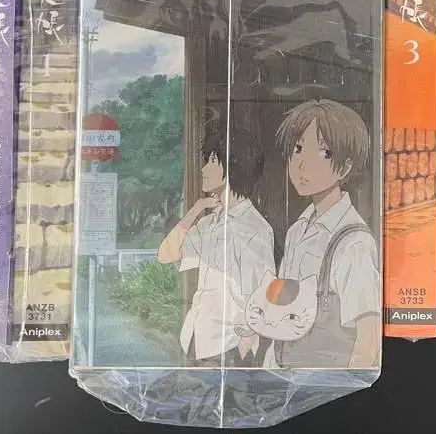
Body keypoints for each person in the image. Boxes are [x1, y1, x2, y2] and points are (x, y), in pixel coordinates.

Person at [271, 98, 380, 368]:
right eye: (298, 149)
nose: (302, 163)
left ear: (345, 167)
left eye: (323, 152)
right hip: (286, 371)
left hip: (326, 378)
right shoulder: (297, 231)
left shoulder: (353, 242)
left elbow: (368, 339)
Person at [158, 127, 275, 367]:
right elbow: (166, 255)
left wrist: (244, 347)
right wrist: (195, 210)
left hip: (228, 348)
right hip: (195, 340)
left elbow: (264, 294)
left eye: (212, 161)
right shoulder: (209, 223)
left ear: (234, 166)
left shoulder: (254, 228)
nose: (203, 170)